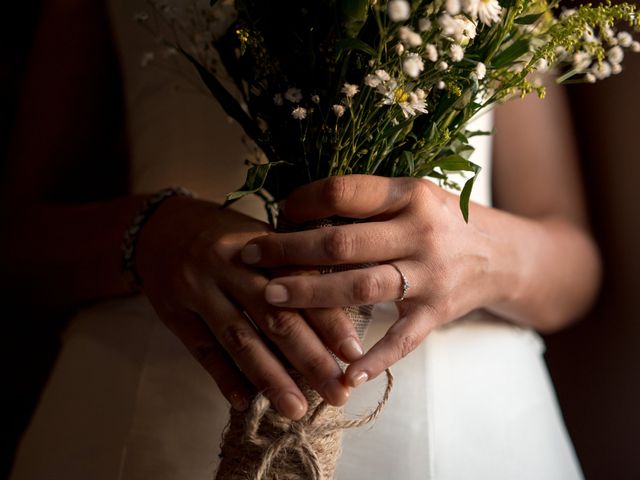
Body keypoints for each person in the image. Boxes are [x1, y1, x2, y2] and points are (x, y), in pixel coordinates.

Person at [6, 0, 600, 478]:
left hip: (461, 436)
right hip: (148, 422)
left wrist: (479, 250)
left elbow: (575, 267)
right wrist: (152, 236)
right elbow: (17, 248)